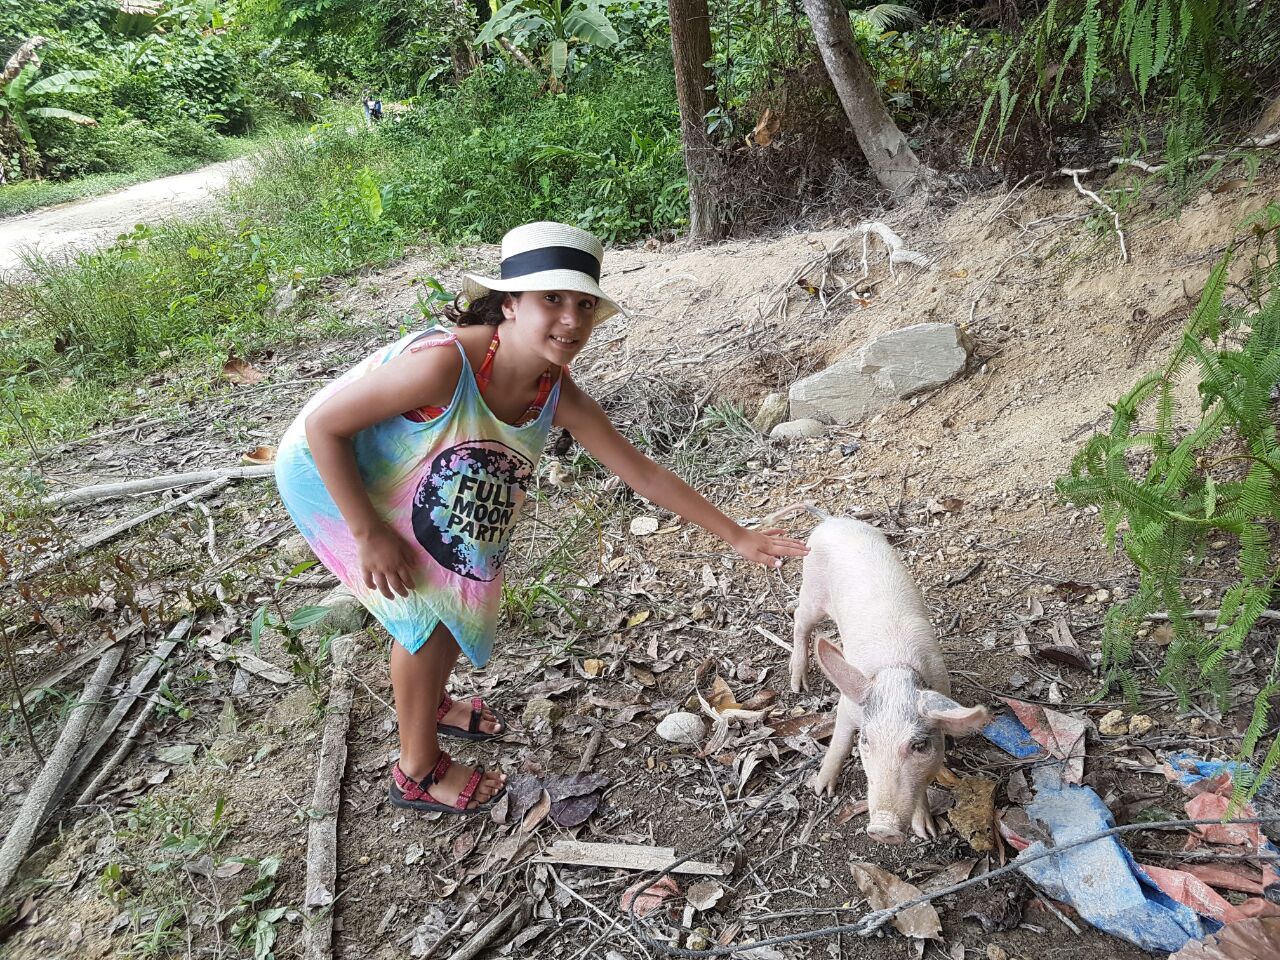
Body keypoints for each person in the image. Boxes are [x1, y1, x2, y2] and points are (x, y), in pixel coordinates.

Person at [274, 222, 808, 816]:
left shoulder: (555, 390)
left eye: (584, 304)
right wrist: (368, 533)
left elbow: (642, 472)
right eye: (551, 299)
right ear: (509, 304)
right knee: (427, 616)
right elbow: (324, 427)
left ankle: (429, 702)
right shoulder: (444, 365)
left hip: (413, 472)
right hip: (330, 472)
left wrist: (738, 535)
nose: (571, 320)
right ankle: (416, 771)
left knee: (458, 585)